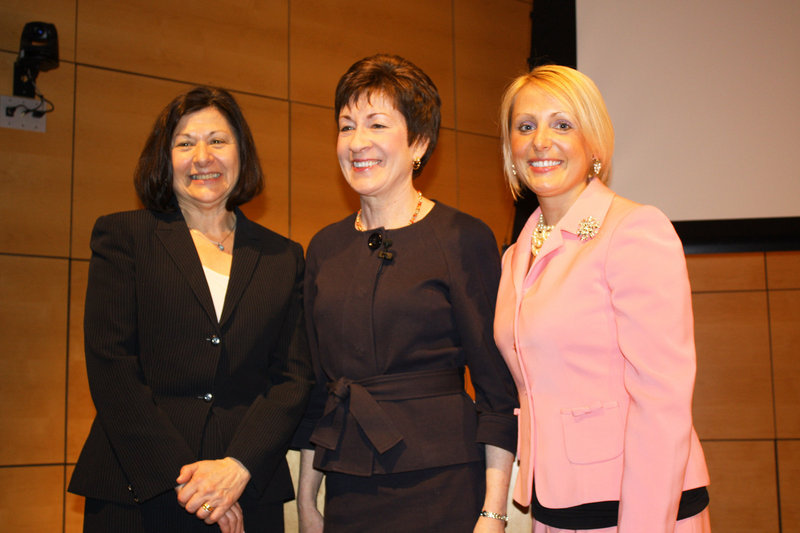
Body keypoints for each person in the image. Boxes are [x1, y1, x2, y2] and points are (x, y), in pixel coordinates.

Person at [68, 86, 314, 533]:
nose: (203, 156)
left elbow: (292, 378)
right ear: (165, 160)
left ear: (242, 155)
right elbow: (112, 367)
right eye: (184, 143)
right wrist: (195, 486)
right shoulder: (124, 238)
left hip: (245, 490)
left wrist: (237, 468)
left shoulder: (284, 257)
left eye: (218, 141)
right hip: (138, 488)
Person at [293, 54, 518, 533]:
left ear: (418, 141)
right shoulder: (324, 248)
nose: (358, 143)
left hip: (444, 483)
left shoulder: (463, 237)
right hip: (349, 484)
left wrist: (494, 513)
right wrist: (308, 500)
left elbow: (497, 391)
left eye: (377, 124)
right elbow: (319, 388)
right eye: (346, 126)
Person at [493, 64, 711, 532]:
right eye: (525, 126)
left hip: (637, 506)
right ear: (511, 150)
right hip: (555, 504)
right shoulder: (515, 255)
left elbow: (663, 398)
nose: (540, 141)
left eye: (562, 124)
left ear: (593, 144)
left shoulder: (633, 230)